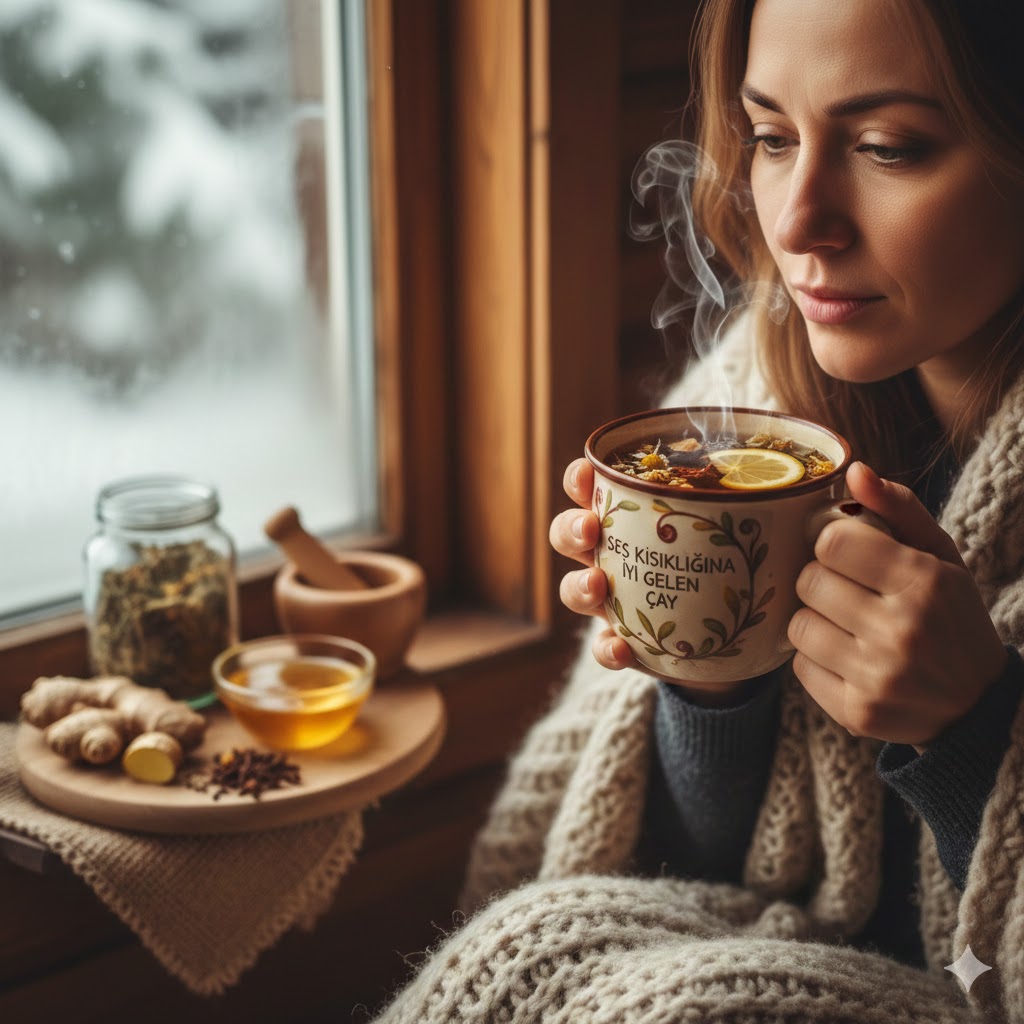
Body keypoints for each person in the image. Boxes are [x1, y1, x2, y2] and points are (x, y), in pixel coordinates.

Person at [374, 1, 1024, 1021]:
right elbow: (689, 866)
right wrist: (704, 673)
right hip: (773, 956)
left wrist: (973, 731)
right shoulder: (758, 398)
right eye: (769, 136)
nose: (799, 219)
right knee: (518, 954)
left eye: (886, 146)